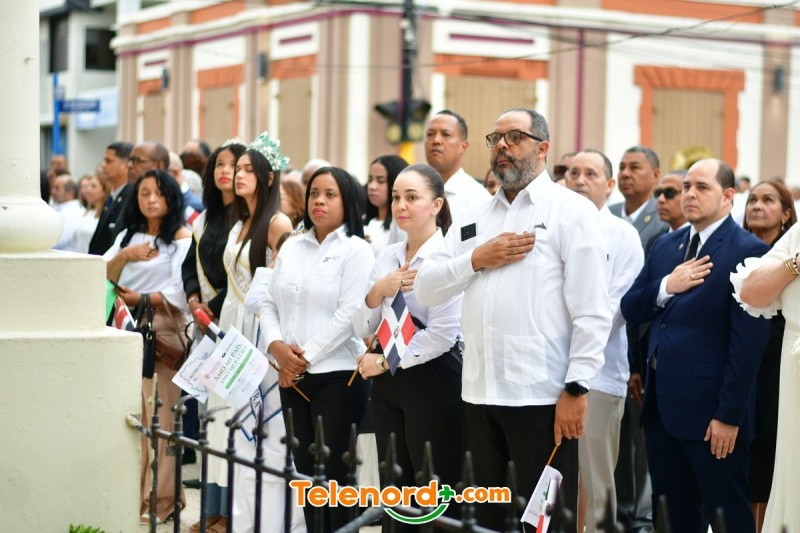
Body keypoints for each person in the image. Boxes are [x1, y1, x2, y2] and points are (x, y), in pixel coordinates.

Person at [416, 108, 612, 529]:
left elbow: (593, 310)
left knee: (545, 522)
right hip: (479, 395)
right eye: (496, 138)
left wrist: (577, 387)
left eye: (515, 137)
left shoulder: (571, 211)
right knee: (484, 520)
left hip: (542, 399)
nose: (502, 146)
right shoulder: (474, 216)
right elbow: (427, 287)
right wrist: (476, 258)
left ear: (542, 148)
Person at [620, 158, 770, 533]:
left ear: (728, 196)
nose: (689, 194)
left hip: (712, 416)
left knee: (727, 518)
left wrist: (729, 417)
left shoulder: (748, 250)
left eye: (702, 187)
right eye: (687, 186)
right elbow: (631, 307)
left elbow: (747, 346)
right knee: (671, 519)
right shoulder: (666, 245)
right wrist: (667, 286)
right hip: (662, 410)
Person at [260, 166, 375, 531]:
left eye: (330, 194)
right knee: (307, 476)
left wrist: (302, 357)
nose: (319, 201)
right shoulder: (292, 245)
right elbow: (268, 301)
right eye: (313, 194)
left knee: (336, 478)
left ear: (347, 201)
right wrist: (277, 347)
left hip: (337, 377)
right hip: (291, 377)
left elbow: (350, 314)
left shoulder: (356, 250)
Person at [354, 164, 464, 530]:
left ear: (436, 205)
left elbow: (442, 335)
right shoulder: (387, 255)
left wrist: (385, 363)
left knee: (432, 480)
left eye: (412, 197)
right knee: (394, 480)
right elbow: (364, 325)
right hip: (388, 378)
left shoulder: (445, 258)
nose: (401, 205)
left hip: (432, 378)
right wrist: (377, 291)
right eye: (397, 197)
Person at [205, 132, 295, 533]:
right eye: (236, 168)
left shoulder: (278, 223)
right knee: (226, 421)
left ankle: (264, 517)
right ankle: (234, 512)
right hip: (231, 325)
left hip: (258, 328)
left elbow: (286, 279)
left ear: (268, 177)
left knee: (257, 425)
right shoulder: (238, 222)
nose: (239, 175)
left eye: (247, 169)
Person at [104, 169, 192, 524]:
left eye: (158, 193)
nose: (151, 199)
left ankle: (163, 499)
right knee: (132, 418)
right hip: (126, 329)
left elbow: (180, 292)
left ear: (171, 197)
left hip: (162, 332)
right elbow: (104, 273)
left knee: (162, 417)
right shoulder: (128, 235)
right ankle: (135, 496)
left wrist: (140, 297)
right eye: (144, 193)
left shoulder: (181, 237)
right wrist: (125, 255)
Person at [565, 150, 644, 533]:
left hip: (597, 373)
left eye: (591, 174)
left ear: (609, 185)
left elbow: (614, 309)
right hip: (546, 370)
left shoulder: (623, 235)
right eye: (573, 173)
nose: (579, 180)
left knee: (595, 481)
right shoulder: (550, 226)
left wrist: (568, 342)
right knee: (553, 482)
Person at [181, 140, 246, 533]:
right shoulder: (204, 220)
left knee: (232, 422)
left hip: (235, 325)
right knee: (212, 421)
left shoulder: (252, 219)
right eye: (220, 164)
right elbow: (189, 266)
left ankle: (231, 514)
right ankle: (212, 510)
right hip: (207, 326)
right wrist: (193, 299)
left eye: (235, 166)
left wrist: (213, 308)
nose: (226, 171)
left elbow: (245, 278)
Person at [734, 179, 796, 532]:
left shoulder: (785, 245)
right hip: (752, 367)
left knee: (773, 452)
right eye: (753, 199)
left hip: (779, 360)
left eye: (768, 200)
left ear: (786, 213)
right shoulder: (741, 250)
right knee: (754, 454)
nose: (757, 206)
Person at [610, 146, 667, 531]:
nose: (627, 173)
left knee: (640, 438)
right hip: (611, 344)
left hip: (641, 343)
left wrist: (639, 361)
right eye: (622, 167)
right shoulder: (610, 214)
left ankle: (642, 516)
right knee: (615, 439)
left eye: (636, 167)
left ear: (655, 174)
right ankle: (620, 510)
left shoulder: (662, 221)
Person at [424, 110, 490, 222]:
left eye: (446, 134)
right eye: (430, 134)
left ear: (463, 146)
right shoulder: (410, 194)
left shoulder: (479, 199)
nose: (436, 140)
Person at [88, 141, 132, 255]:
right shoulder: (112, 196)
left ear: (126, 165)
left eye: (109, 161)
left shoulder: (131, 198)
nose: (103, 165)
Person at [364, 155, 408, 254]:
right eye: (370, 180)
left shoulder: (402, 224)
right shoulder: (363, 222)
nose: (372, 187)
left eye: (380, 181)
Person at [74, 174, 110, 254]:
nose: (88, 190)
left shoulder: (106, 216)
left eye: (93, 186)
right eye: (89, 186)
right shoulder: (87, 213)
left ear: (104, 190)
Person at [51, 174, 86, 252]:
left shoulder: (74, 213)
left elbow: (59, 240)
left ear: (69, 193)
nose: (53, 192)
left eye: (57, 188)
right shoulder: (59, 206)